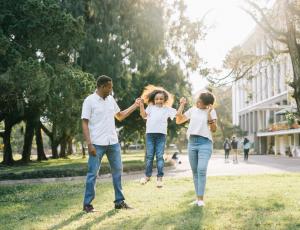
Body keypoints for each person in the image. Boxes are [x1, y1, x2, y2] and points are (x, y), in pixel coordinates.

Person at [81, 75, 141, 212]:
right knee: (92, 174)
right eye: (110, 87)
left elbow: (120, 116)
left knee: (118, 171)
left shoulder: (110, 99)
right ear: (102, 87)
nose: (111, 89)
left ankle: (119, 202)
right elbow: (84, 122)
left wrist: (135, 105)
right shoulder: (89, 101)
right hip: (96, 143)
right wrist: (89, 144)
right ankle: (87, 205)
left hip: (113, 142)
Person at [176, 92, 217, 207]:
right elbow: (178, 120)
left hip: (205, 143)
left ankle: (201, 200)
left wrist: (208, 114)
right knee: (195, 172)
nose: (197, 103)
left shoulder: (211, 111)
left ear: (207, 105)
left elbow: (214, 129)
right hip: (192, 143)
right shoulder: (193, 109)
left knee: (201, 169)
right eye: (198, 100)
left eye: (200, 102)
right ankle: (198, 199)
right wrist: (182, 105)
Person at [139, 87, 177, 188]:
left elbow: (177, 114)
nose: (158, 101)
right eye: (156, 99)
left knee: (160, 156)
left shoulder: (167, 109)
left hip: (161, 135)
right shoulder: (150, 107)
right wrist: (141, 105)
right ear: (154, 100)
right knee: (150, 156)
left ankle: (159, 179)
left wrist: (182, 104)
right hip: (150, 135)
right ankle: (147, 176)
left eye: (161, 99)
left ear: (164, 100)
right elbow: (143, 115)